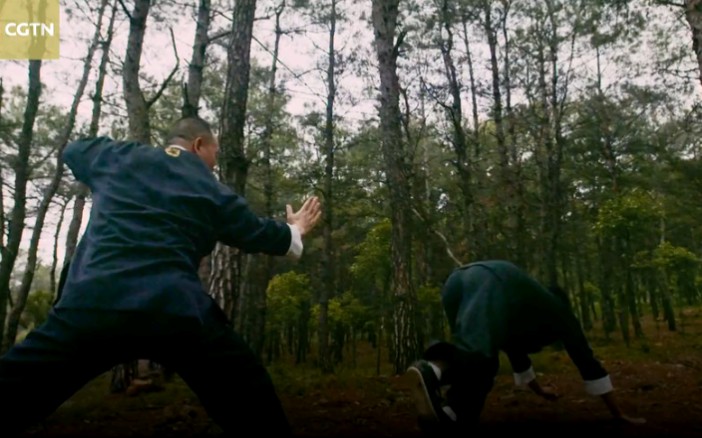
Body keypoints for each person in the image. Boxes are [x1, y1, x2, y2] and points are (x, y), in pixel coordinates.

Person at [0, 116, 321, 437]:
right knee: (248, 397)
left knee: (15, 390)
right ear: (198, 145)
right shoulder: (212, 190)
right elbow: (259, 233)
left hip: (92, 305)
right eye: (214, 153)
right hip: (175, 311)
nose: (214, 163)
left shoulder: (117, 156)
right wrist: (296, 230)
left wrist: (117, 155)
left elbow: (74, 150)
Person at [407, 260, 645, 435]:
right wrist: (618, 413)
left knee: (483, 361)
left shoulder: (519, 318)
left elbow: (518, 356)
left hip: (455, 283)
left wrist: (539, 391)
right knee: (477, 355)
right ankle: (434, 367)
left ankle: (449, 414)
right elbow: (588, 362)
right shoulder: (562, 314)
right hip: (494, 280)